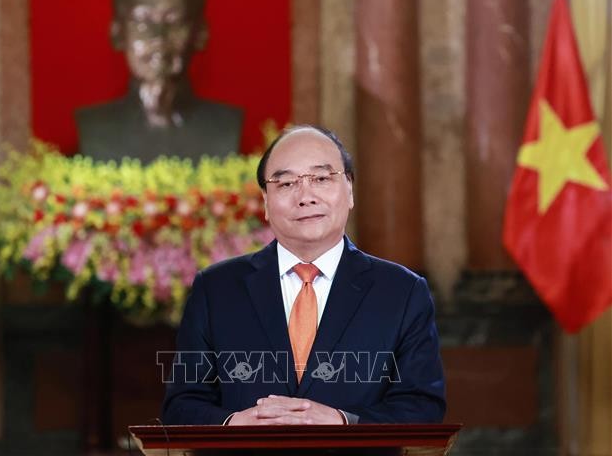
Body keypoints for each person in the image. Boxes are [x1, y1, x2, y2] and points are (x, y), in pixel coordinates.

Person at [161, 125, 445, 425]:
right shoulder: (216, 289)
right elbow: (181, 405)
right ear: (266, 201)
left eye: (321, 178)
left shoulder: (401, 292)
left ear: (349, 190)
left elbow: (422, 406)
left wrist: (343, 421)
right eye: (285, 184)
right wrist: (234, 424)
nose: (305, 196)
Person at [76, 0, 243, 164]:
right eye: (142, 22)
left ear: (200, 34)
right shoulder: (94, 127)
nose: (158, 37)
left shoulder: (225, 125)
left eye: (174, 22)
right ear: (118, 35)